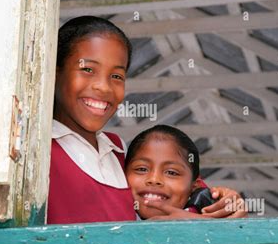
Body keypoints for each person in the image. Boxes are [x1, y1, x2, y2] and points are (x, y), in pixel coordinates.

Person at [47, 16, 246, 224]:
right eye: (88, 69)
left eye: (117, 76)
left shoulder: (118, 151)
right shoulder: (37, 152)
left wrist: (222, 201)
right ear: (55, 72)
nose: (103, 87)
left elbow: (184, 190)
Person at [125, 125, 246, 220]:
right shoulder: (110, 216)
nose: (154, 179)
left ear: (194, 186)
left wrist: (229, 217)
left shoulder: (212, 227)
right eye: (141, 169)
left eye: (171, 172)